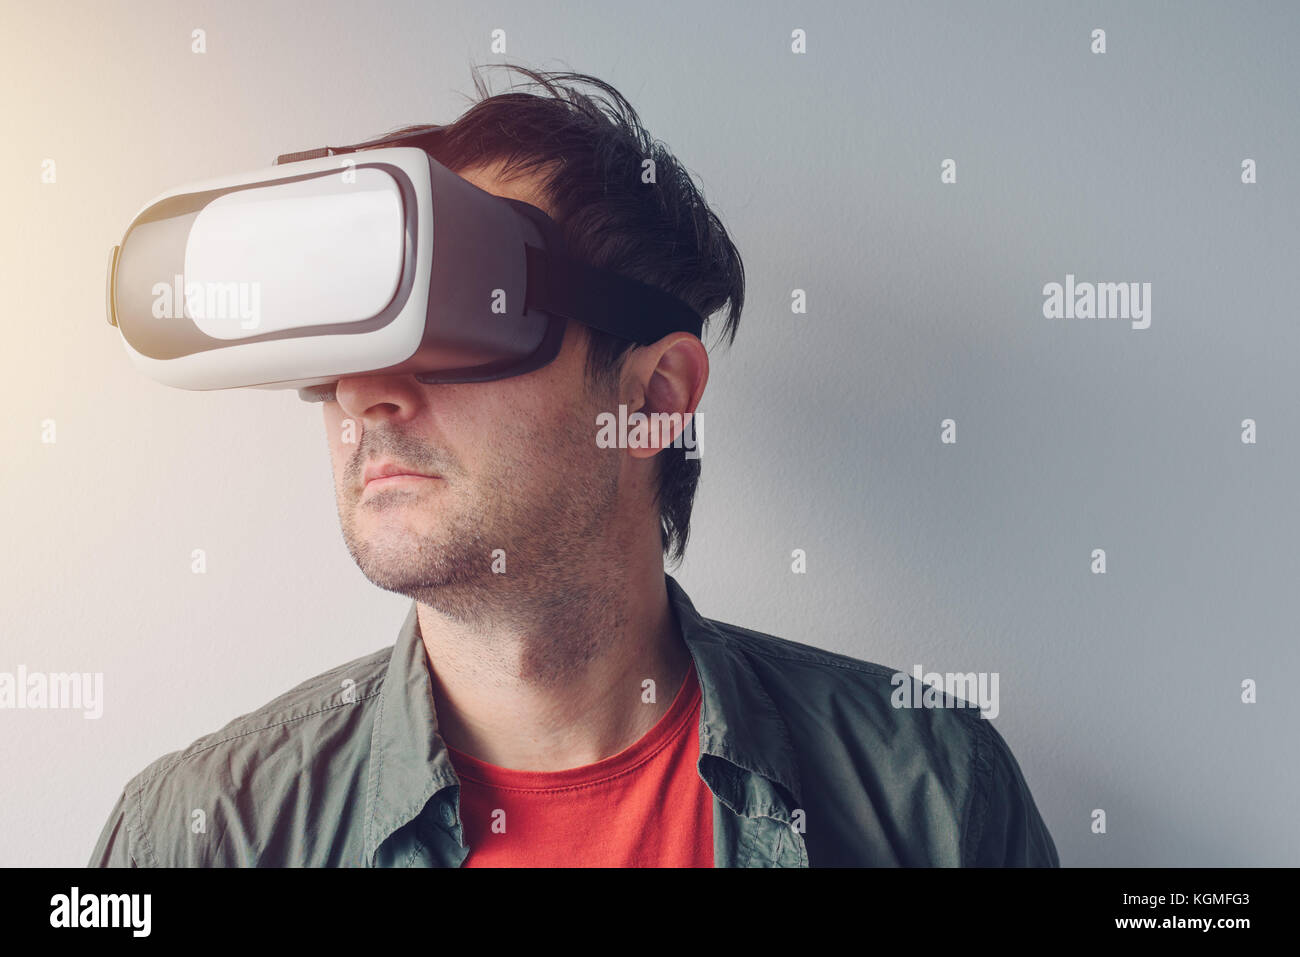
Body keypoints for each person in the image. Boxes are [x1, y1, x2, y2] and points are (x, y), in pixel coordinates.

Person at [89, 64, 1058, 867]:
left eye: (460, 314)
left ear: (652, 400)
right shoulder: (201, 835)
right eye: (351, 336)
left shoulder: (928, 794)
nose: (364, 395)